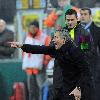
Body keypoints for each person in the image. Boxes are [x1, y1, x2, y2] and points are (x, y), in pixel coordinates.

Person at [9, 29, 94, 100]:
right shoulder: (57, 49)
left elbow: (86, 72)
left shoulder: (75, 52)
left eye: (56, 37)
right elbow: (40, 49)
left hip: (79, 88)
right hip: (64, 86)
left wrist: (78, 88)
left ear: (64, 40)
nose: (53, 40)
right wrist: (22, 46)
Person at [22, 20, 51, 100]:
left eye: (34, 27)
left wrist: (44, 63)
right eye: (31, 27)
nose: (32, 29)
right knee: (31, 90)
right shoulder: (26, 37)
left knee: (41, 88)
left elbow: (48, 51)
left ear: (38, 28)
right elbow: (23, 52)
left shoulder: (44, 37)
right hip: (29, 69)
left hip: (40, 68)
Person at [80, 7, 100, 100]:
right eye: (81, 14)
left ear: (90, 16)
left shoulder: (97, 30)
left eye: (85, 14)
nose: (83, 16)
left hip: (93, 67)